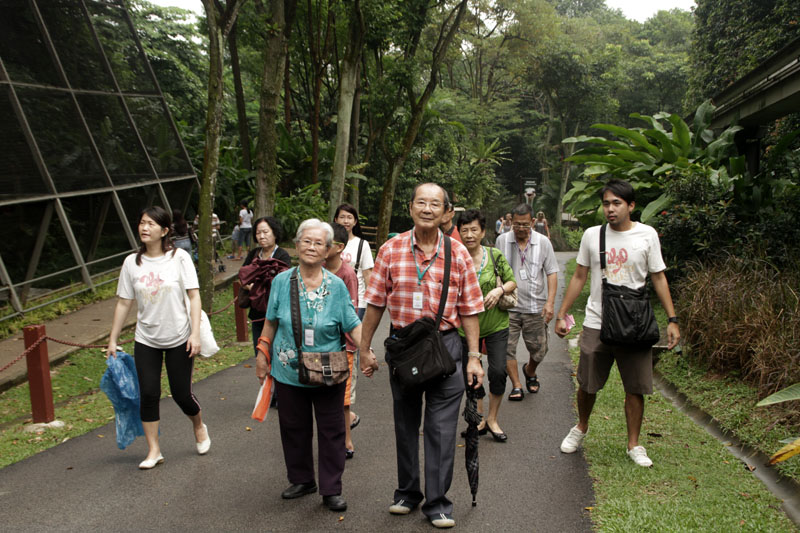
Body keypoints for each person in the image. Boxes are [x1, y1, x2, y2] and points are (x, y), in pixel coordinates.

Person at [360, 182, 485, 529]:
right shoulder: (390, 249)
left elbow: (471, 309)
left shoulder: (458, 253)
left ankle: (438, 502)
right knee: (405, 422)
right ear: (411, 207)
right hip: (404, 349)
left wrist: (474, 356)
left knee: (442, 428)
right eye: (421, 202)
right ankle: (407, 492)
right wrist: (365, 349)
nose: (427, 209)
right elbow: (374, 303)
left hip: (446, 348)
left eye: (435, 204)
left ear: (446, 212)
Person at [254, 219, 378, 512]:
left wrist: (366, 351)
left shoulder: (336, 286)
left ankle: (331, 488)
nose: (311, 247)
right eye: (306, 241)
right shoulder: (282, 281)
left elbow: (352, 323)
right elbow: (271, 320)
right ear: (296, 246)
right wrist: (262, 353)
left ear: (328, 251)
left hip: (327, 369)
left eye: (318, 243)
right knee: (292, 427)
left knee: (332, 429)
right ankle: (301, 480)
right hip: (288, 368)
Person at [554, 179, 680, 468]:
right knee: (587, 382)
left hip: (634, 321)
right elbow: (579, 276)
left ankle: (634, 444)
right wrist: (562, 314)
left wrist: (672, 320)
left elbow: (659, 277)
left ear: (631, 206)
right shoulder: (592, 235)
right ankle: (581, 427)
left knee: (635, 385)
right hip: (598, 320)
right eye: (606, 203)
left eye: (616, 203)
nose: (610, 209)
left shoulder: (647, 235)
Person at [105, 206, 210, 470]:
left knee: (181, 394)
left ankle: (199, 425)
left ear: (164, 231)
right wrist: (113, 339)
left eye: (151, 224)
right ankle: (154, 450)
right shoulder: (132, 263)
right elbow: (123, 303)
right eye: (142, 223)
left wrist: (195, 333)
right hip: (146, 339)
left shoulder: (179, 257)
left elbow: (194, 296)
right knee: (149, 394)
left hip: (179, 336)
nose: (144, 228)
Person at [457, 209, 517, 442]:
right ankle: (479, 418)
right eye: (464, 230)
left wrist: (499, 289)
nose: (469, 235)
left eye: (474, 230)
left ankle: (492, 418)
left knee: (498, 371)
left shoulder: (494, 256)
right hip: (465, 329)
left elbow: (512, 281)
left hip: (496, 326)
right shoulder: (456, 257)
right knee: (471, 375)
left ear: (483, 231)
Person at [495, 203, 559, 401]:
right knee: (506, 348)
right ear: (510, 222)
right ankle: (516, 385)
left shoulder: (543, 243)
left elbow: (551, 272)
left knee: (539, 350)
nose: (520, 229)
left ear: (532, 222)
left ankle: (530, 370)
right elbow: (496, 271)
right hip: (508, 307)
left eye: (524, 225)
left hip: (535, 306)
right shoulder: (502, 241)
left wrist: (550, 302)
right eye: (516, 224)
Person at [326, 223, 361, 460]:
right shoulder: (316, 268)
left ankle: (347, 439)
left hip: (344, 345)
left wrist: (357, 345)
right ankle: (334, 436)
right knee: (327, 395)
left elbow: (352, 310)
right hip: (320, 344)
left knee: (344, 397)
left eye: (325, 242)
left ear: (339, 247)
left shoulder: (347, 274)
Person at [241, 217, 292, 355]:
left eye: (265, 232)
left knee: (278, 354)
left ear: (275, 233)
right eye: (258, 233)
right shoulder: (254, 254)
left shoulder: (282, 255)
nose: (262, 236)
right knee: (260, 353)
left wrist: (255, 287)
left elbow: (283, 283)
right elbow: (244, 277)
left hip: (277, 315)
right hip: (257, 313)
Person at [333, 204, 374, 320]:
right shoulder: (328, 242)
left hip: (356, 300)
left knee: (351, 336)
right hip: (330, 297)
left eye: (349, 217)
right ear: (336, 219)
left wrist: (370, 302)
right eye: (342, 217)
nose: (346, 221)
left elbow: (367, 274)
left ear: (355, 222)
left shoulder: (362, 244)